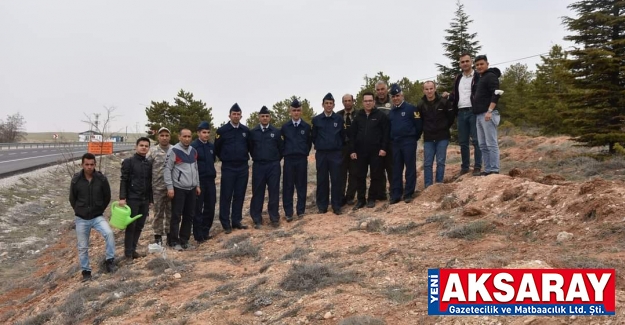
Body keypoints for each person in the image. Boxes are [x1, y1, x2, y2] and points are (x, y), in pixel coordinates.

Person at [69, 153, 115, 282]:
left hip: (97, 216)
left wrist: (99, 209)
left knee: (109, 233)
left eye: (92, 164)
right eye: (86, 164)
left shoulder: (101, 179)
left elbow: (107, 196)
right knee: (83, 246)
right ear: (82, 165)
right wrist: (79, 210)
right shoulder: (76, 180)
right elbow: (72, 198)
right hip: (81, 218)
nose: (89, 167)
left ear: (95, 164)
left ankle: (110, 261)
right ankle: (86, 272)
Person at [349, 91, 389, 210]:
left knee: (375, 175)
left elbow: (385, 134)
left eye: (370, 101)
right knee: (360, 176)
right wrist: (352, 150)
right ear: (362, 102)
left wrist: (383, 148)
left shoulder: (380, 116)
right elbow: (352, 135)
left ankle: (371, 198)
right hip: (360, 152)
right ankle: (361, 200)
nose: (368, 103)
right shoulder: (358, 116)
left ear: (374, 102)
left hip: (376, 152)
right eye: (365, 101)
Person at [215, 103, 251, 233]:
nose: (236, 116)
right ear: (229, 115)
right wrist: (226, 157)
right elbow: (217, 149)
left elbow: (249, 147)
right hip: (229, 167)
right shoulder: (222, 131)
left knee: (240, 194)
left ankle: (236, 220)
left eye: (238, 114)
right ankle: (225, 223)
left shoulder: (245, 131)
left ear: (241, 115)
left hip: (242, 167)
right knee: (226, 195)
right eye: (234, 114)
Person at [446, 53, 482, 176]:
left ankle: (477, 166)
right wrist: (449, 96)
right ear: (459, 64)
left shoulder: (478, 76)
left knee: (476, 140)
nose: (465, 64)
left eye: (467, 61)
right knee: (463, 142)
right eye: (462, 62)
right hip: (461, 112)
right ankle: (465, 167)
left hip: (474, 111)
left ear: (471, 62)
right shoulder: (458, 78)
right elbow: (456, 95)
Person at [164, 129, 200, 250]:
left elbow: (196, 169)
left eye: (189, 136)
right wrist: (170, 187)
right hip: (178, 188)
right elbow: (167, 169)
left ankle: (184, 240)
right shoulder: (173, 150)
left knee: (189, 215)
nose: (187, 138)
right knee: (176, 215)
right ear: (179, 137)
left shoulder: (193, 151)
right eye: (184, 136)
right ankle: (174, 241)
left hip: (192, 188)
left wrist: (197, 185)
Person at [249, 106, 284, 229]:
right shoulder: (253, 132)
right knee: (258, 192)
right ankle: (256, 218)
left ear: (270, 117)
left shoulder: (276, 131)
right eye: (262, 116)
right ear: (259, 117)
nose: (265, 118)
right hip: (259, 165)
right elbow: (251, 148)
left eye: (267, 116)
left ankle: (274, 217)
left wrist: (274, 159)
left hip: (273, 165)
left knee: (274, 191)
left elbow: (281, 149)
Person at [119, 137, 153, 259]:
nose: (144, 147)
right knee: (131, 226)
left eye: (146, 146)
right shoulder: (129, 162)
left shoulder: (148, 163)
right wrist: (122, 197)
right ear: (136, 146)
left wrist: (150, 200)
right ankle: (128, 253)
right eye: (141, 145)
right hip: (132, 199)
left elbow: (149, 183)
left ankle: (133, 250)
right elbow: (124, 180)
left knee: (140, 225)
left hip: (144, 200)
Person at [388, 84, 423, 204]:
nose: (396, 98)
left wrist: (413, 137)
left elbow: (418, 127)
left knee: (410, 168)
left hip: (408, 142)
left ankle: (408, 193)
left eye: (397, 96)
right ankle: (396, 194)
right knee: (396, 169)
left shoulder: (411, 109)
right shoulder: (391, 112)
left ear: (402, 95)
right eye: (393, 96)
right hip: (395, 143)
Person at [311, 93, 345, 215]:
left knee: (336, 179)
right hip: (322, 154)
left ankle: (336, 206)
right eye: (326, 103)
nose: (329, 105)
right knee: (322, 180)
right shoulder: (316, 120)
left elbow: (342, 136)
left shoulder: (339, 119)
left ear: (334, 105)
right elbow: (314, 137)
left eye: (331, 103)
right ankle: (322, 206)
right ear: (323, 104)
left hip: (335, 154)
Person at [418, 81, 455, 188]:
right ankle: (428, 186)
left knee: (440, 161)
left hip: (442, 136)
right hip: (428, 137)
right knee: (427, 163)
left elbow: (451, 117)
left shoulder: (444, 102)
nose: (429, 91)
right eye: (426, 89)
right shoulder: (420, 104)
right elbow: (419, 120)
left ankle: (439, 185)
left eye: (431, 88)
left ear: (435, 89)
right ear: (423, 90)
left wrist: (444, 127)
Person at [281, 99, 312, 222]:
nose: (296, 113)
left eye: (298, 110)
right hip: (289, 159)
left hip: (301, 159)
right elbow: (281, 143)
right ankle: (288, 212)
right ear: (290, 111)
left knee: (301, 185)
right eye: (294, 110)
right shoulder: (285, 127)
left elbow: (309, 143)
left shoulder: (306, 127)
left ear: (301, 111)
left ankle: (300, 211)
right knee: (288, 186)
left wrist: (304, 151)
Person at [473, 55, 502, 176]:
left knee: (491, 143)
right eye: (477, 65)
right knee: (483, 145)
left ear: (487, 64)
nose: (479, 66)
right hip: (479, 115)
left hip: (488, 114)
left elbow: (496, 94)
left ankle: (494, 169)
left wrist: (490, 111)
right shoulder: (481, 78)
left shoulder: (491, 76)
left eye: (481, 64)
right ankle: (488, 169)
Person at [190, 121, 216, 243]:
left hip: (210, 181)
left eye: (207, 132)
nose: (206, 135)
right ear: (198, 133)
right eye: (203, 132)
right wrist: (195, 184)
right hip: (198, 182)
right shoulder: (193, 147)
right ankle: (198, 235)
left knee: (210, 208)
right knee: (198, 209)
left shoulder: (211, 146)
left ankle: (206, 232)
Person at [147, 127, 171, 246]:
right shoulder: (152, 151)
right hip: (157, 188)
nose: (164, 137)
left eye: (167, 135)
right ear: (158, 137)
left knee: (171, 212)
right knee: (158, 213)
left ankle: (170, 235)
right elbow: (146, 168)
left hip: (172, 188)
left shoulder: (174, 150)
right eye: (162, 135)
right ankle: (158, 236)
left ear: (169, 137)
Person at [336, 94, 358, 206]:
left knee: (354, 173)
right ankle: (340, 197)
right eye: (345, 101)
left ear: (353, 101)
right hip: (342, 148)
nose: (347, 102)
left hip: (355, 147)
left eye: (349, 100)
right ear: (342, 102)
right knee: (341, 173)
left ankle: (350, 197)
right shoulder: (338, 116)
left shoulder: (359, 114)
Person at [374, 80, 393, 201]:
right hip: (376, 141)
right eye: (378, 90)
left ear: (387, 90)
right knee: (378, 169)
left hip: (391, 141)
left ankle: (394, 191)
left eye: (383, 89)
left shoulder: (393, 101)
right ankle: (380, 194)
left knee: (391, 168)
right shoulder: (372, 103)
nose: (381, 92)